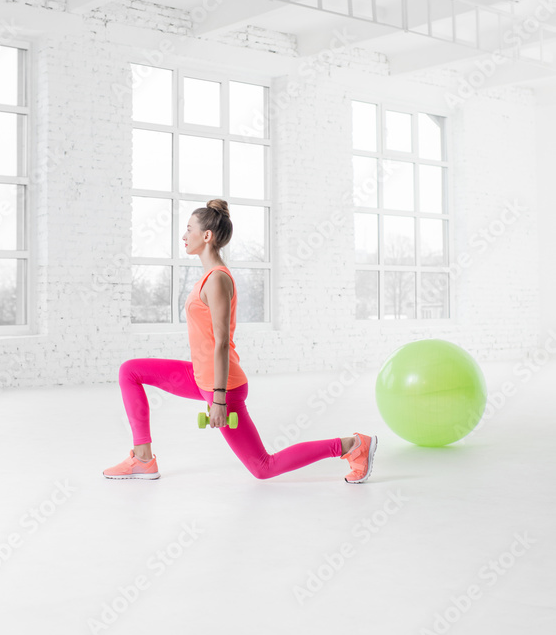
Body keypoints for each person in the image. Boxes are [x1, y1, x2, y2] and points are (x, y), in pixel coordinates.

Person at [103, 199, 377, 483]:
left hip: (222, 385)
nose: (184, 236)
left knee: (263, 467)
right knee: (130, 371)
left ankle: (352, 446)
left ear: (206, 236)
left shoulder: (217, 280)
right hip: (201, 376)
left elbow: (221, 341)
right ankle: (143, 459)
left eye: (189, 229)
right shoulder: (207, 277)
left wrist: (219, 400)